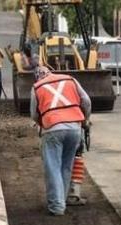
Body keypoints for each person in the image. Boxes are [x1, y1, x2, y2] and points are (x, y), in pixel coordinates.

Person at [30, 66, 91, 216]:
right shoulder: (70, 79)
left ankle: (57, 206)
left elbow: (33, 114)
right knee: (66, 166)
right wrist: (85, 120)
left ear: (37, 77)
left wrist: (42, 124)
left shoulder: (37, 87)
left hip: (52, 128)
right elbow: (86, 101)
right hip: (74, 129)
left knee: (53, 167)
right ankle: (61, 200)